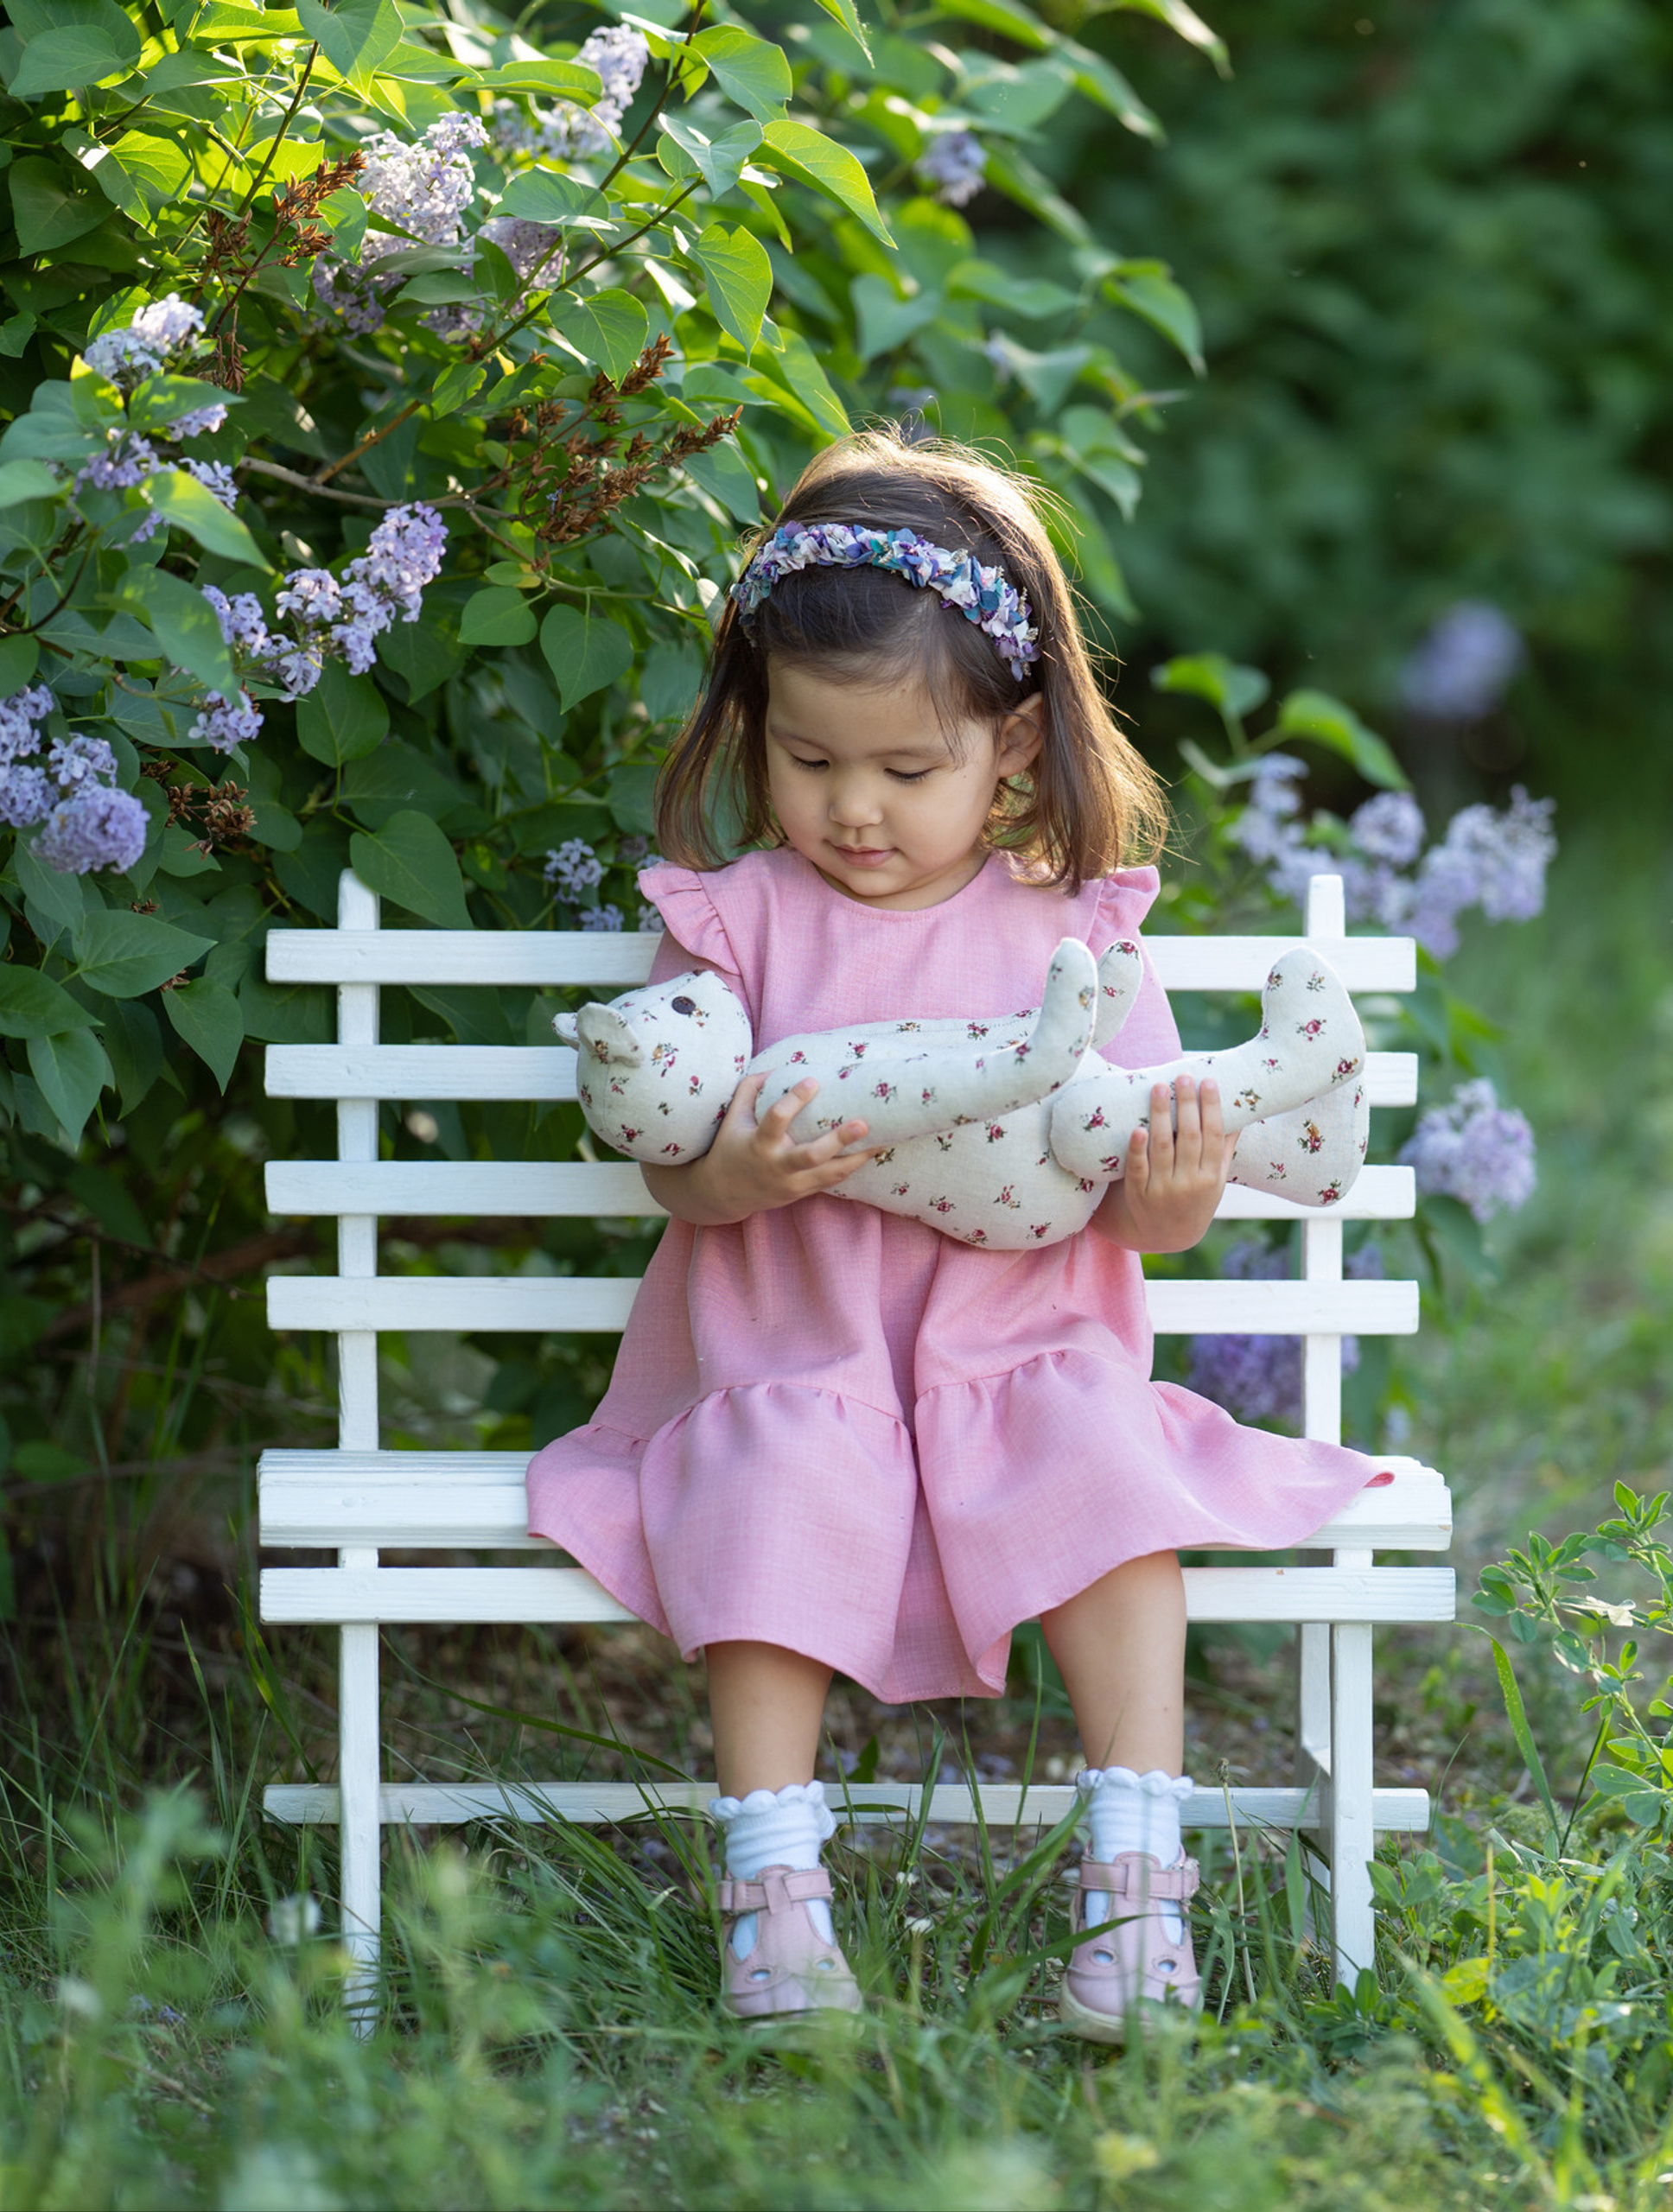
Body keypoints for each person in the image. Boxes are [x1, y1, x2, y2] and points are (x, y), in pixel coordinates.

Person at [526, 430, 1375, 2038]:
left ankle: (1136, 1905)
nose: (853, 810)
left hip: (1028, 1352)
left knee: (1111, 1487)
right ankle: (775, 1906)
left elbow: (1132, 1190)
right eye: (807, 759)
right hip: (801, 1350)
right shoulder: (733, 922)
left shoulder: (1077, 931)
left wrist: (1178, 1195)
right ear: (754, 733)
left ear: (1013, 743)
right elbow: (674, 1178)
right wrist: (742, 1178)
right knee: (771, 1490)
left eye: (905, 770)